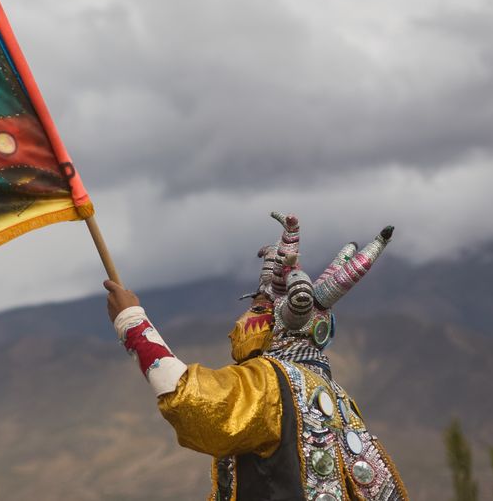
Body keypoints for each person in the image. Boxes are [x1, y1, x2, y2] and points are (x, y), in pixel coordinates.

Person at [104, 213, 407, 501]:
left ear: (281, 322)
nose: (242, 321)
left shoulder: (272, 382)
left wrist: (131, 322)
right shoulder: (336, 399)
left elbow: (190, 402)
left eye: (260, 307)